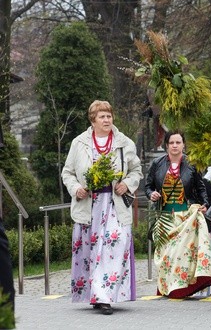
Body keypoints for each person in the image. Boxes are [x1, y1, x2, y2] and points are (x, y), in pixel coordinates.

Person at [62, 100, 143, 315]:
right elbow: (67, 172)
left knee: (114, 244)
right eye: (102, 116)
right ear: (93, 120)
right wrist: (77, 188)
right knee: (91, 250)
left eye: (109, 116)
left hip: (115, 204)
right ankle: (97, 295)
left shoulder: (124, 142)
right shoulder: (79, 143)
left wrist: (127, 184)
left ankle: (104, 295)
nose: (107, 120)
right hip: (89, 205)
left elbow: (136, 170)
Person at [145, 130, 211, 298]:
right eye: (171, 143)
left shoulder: (192, 164)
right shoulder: (157, 163)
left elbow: (201, 188)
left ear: (184, 145)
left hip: (186, 218)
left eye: (178, 142)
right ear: (167, 145)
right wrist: (151, 194)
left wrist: (205, 204)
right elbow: (148, 186)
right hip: (165, 217)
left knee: (182, 256)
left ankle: (181, 289)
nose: (175, 146)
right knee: (166, 256)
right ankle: (165, 288)